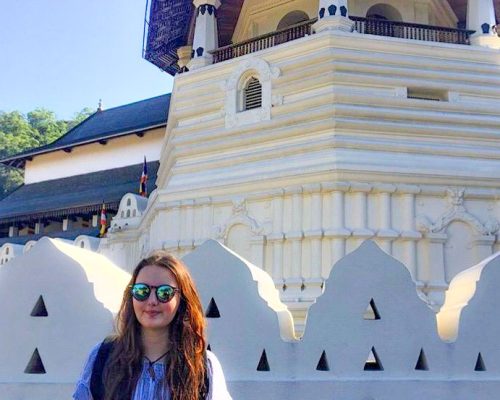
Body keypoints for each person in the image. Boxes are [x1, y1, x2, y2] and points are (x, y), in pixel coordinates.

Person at [73, 250, 232, 400]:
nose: (152, 301)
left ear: (182, 300)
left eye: (164, 293)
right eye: (142, 291)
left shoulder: (202, 366)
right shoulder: (103, 357)